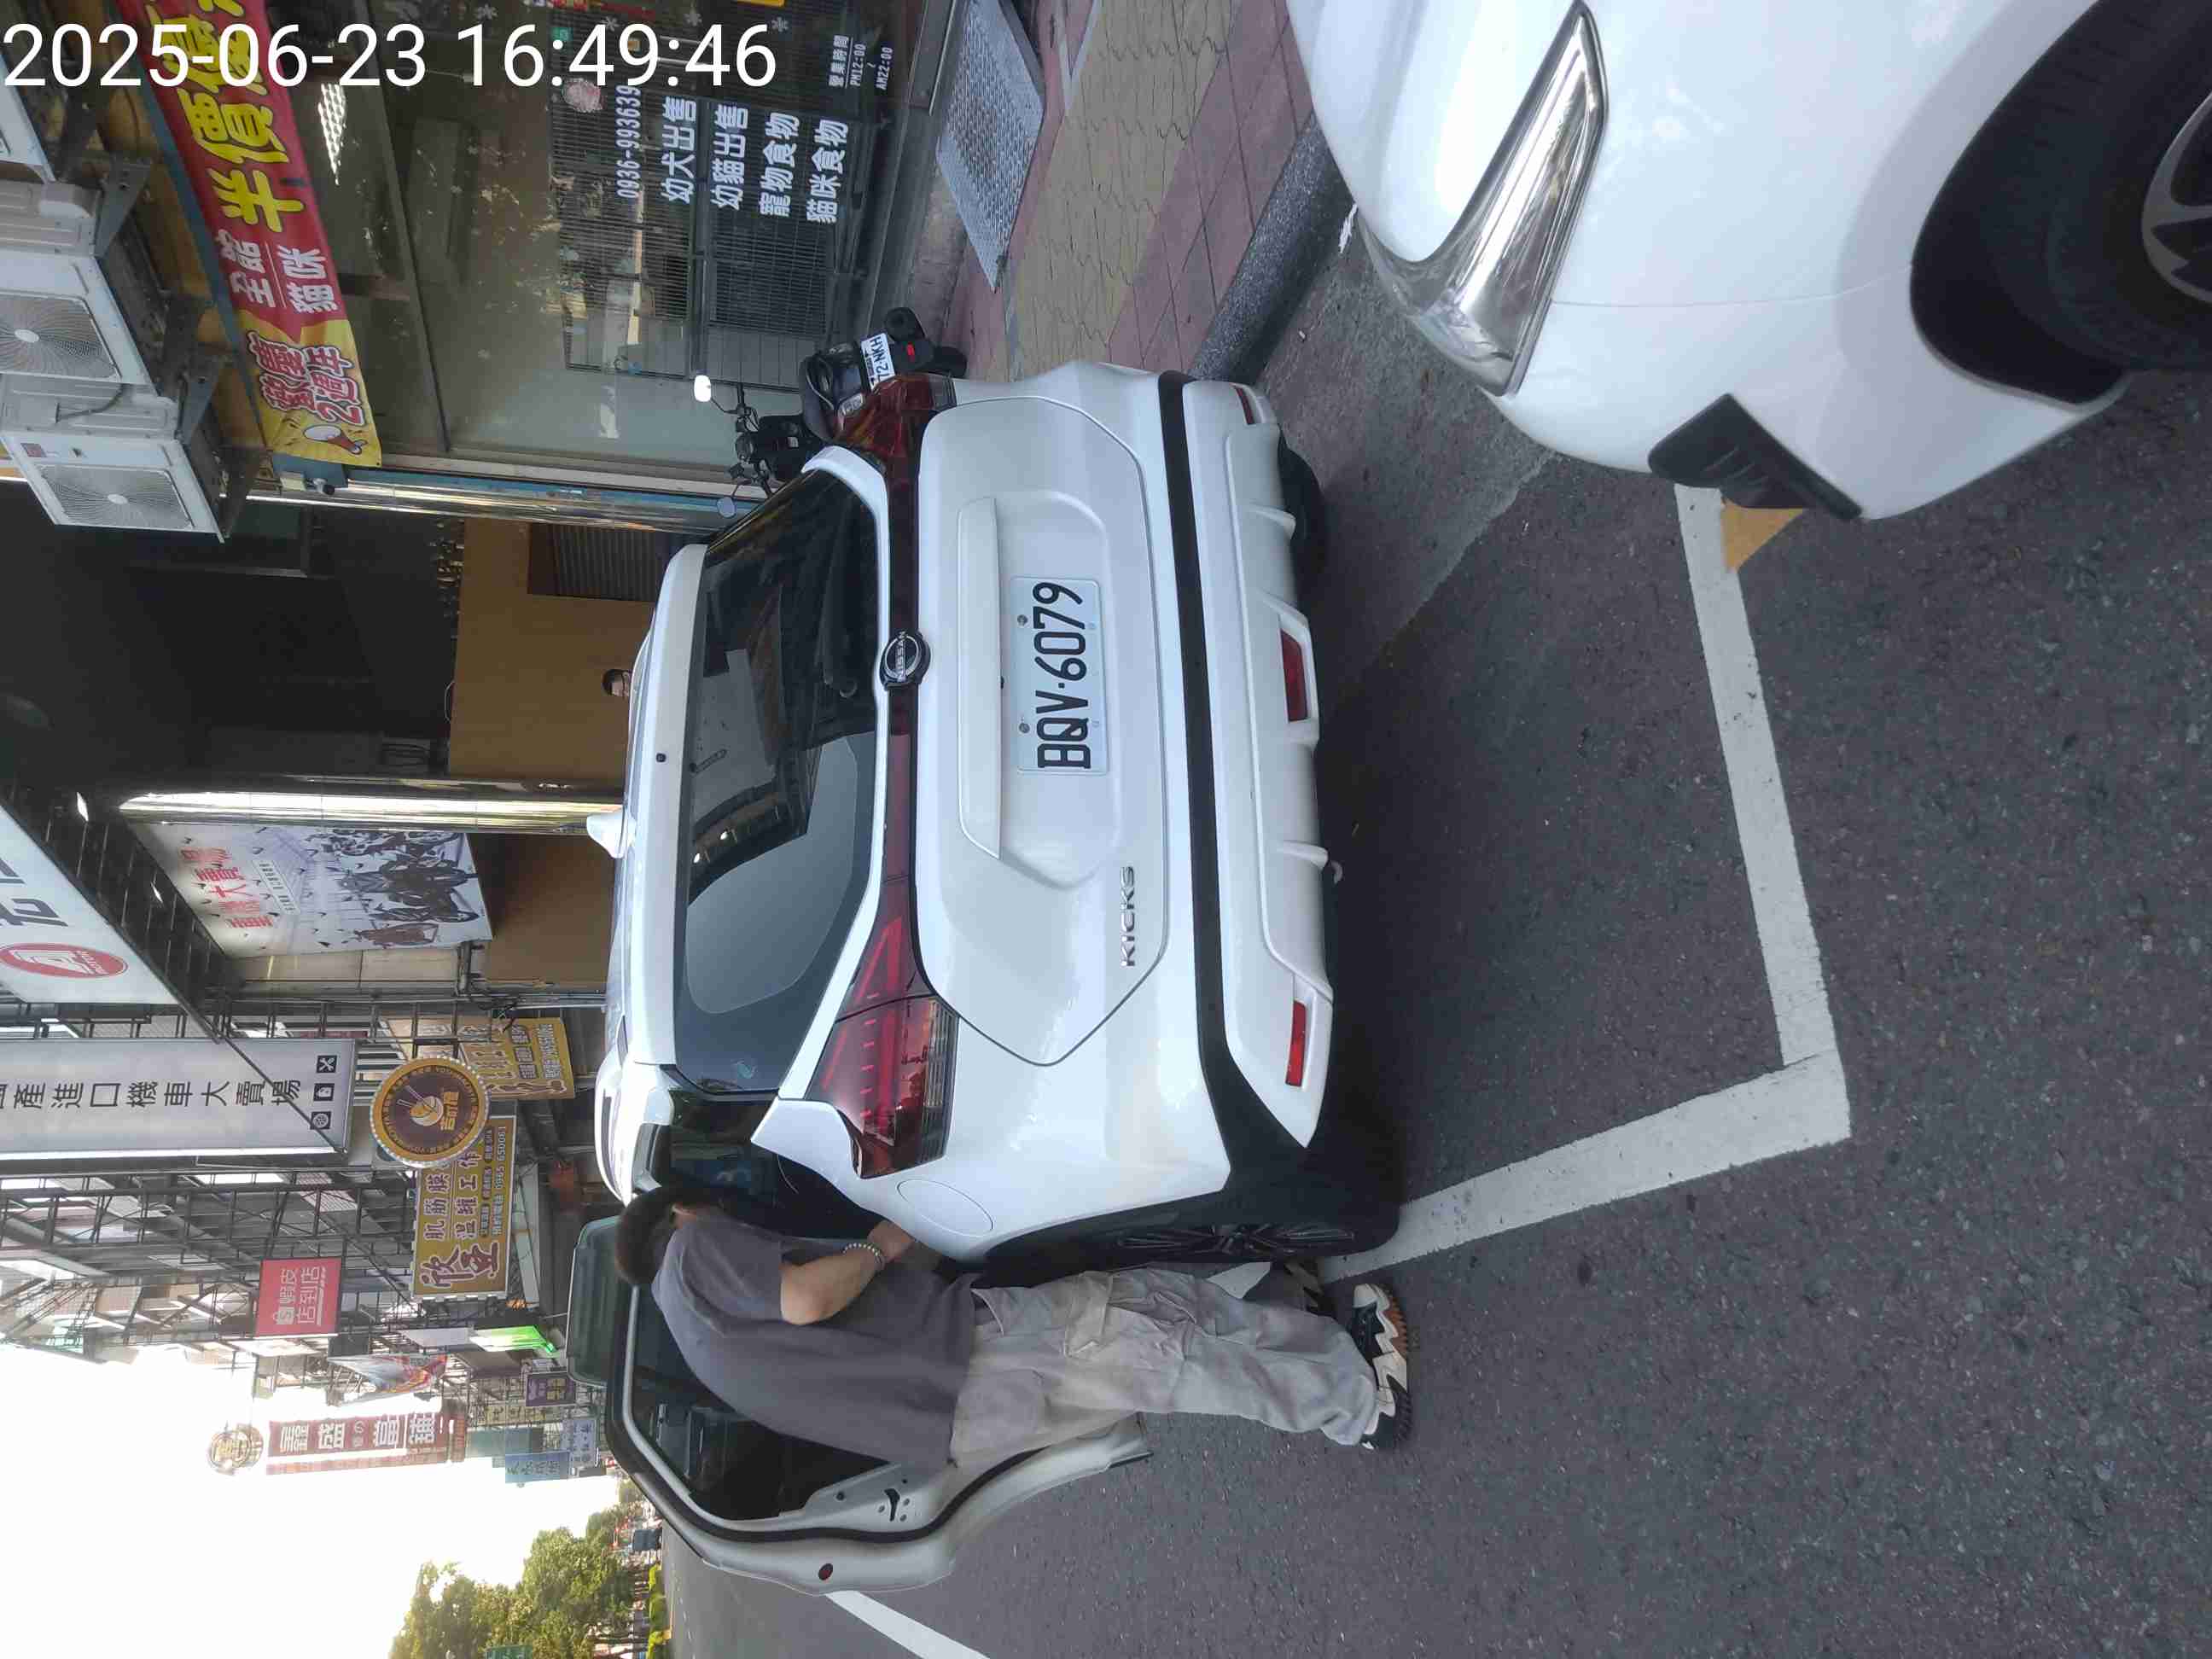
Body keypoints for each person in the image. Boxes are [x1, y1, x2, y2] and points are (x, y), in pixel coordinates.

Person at [612, 1179, 1411, 1472]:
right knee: (1159, 1346)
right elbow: (808, 1301)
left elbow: (834, 1338)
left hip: (960, 1416)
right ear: (680, 1212)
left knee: (1153, 1320)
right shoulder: (691, 1251)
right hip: (969, 1357)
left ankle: (1312, 1344)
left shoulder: (696, 1335)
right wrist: (875, 1244)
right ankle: (1359, 1403)